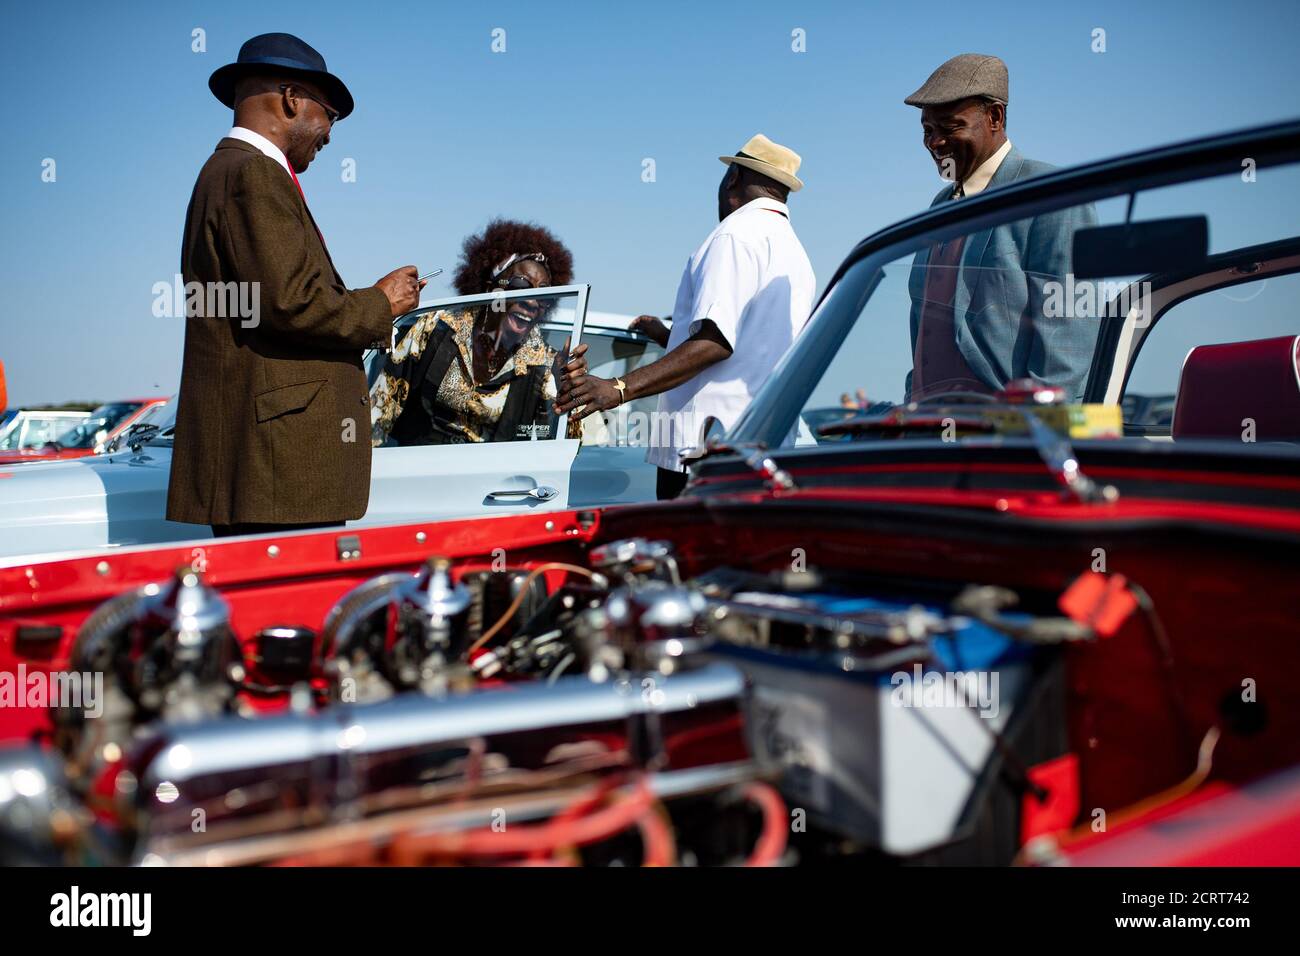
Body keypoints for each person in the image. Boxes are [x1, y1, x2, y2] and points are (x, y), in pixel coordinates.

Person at [167, 33, 423, 537]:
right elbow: (291, 303)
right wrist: (380, 303)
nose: (329, 134)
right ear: (291, 100)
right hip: (280, 470)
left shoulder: (227, 172)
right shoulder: (253, 174)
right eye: (329, 115)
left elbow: (270, 301)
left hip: (267, 468)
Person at [556, 134, 816, 500]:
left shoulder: (734, 236)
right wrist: (669, 335)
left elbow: (716, 344)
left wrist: (618, 389)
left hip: (703, 450)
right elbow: (750, 346)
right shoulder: (795, 254)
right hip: (762, 448)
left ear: (733, 178)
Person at [903, 54, 1098, 402]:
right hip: (928, 433)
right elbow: (926, 333)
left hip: (1002, 438)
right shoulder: (939, 205)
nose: (935, 142)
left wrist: (1035, 436)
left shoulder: (1051, 193)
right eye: (928, 131)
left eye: (950, 128)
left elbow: (1068, 341)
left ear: (995, 117)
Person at [370, 220, 591, 446]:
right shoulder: (435, 329)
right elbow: (378, 414)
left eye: (544, 295)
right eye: (521, 287)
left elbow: (565, 449)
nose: (532, 302)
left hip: (491, 480)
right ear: (491, 290)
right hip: (413, 474)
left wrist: (568, 390)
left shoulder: (544, 365)